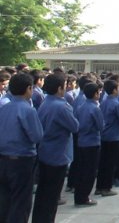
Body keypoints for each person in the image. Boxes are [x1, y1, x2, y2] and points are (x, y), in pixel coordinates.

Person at [32, 73, 79, 223]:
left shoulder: (46, 102)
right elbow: (75, 126)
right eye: (65, 86)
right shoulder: (61, 106)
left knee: (43, 192)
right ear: (60, 88)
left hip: (45, 151)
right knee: (52, 195)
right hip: (58, 154)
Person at [0, 73, 43, 223]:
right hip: (21, 160)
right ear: (28, 89)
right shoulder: (28, 110)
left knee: (5, 200)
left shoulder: (4, 107)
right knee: (21, 202)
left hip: (3, 159)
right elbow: (37, 136)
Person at [95, 79, 119, 197]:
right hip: (114, 136)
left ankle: (99, 186)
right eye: (118, 88)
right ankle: (106, 188)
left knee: (103, 162)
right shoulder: (117, 104)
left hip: (104, 135)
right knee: (111, 163)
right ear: (114, 90)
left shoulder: (103, 102)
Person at [73, 83, 104, 207]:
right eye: (99, 92)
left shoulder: (81, 107)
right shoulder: (95, 108)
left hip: (81, 141)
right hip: (92, 142)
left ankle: (79, 195)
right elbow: (101, 126)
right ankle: (84, 197)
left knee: (81, 170)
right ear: (96, 93)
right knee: (90, 172)